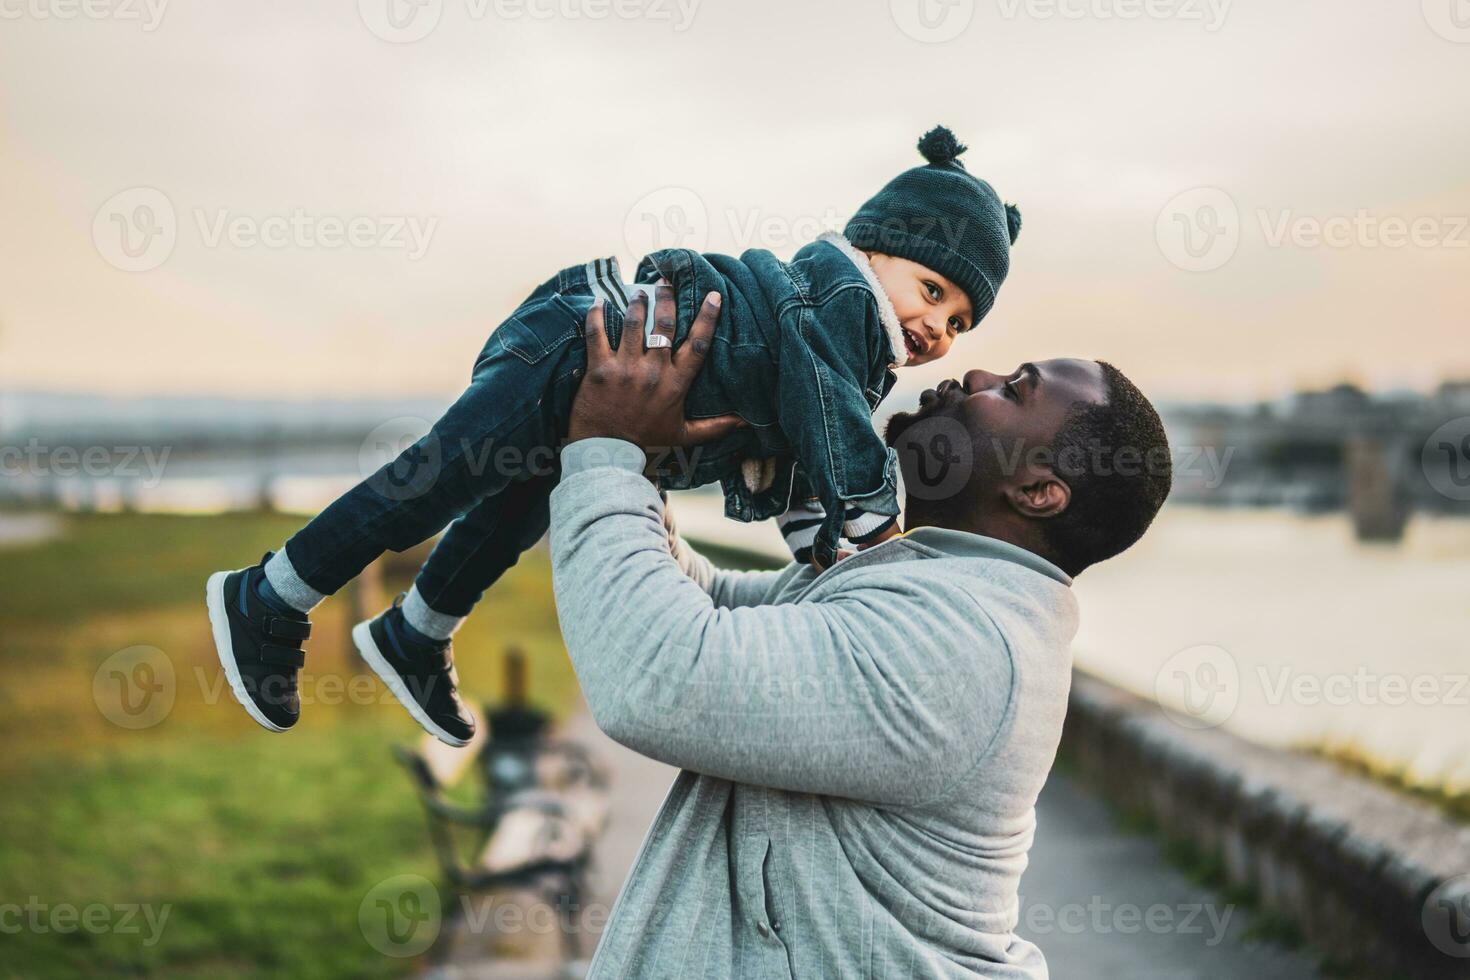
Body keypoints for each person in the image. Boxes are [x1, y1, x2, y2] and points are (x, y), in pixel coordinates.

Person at [204, 126, 1022, 746]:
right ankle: (271, 593)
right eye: (932, 290)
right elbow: (829, 423)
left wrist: (822, 550)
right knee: (432, 483)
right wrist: (878, 530)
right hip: (577, 348)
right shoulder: (838, 297)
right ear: (876, 247)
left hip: (590, 377)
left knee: (511, 519)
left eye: (959, 322)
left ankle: (415, 632)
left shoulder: (853, 356)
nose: (938, 329)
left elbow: (799, 455)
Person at [550, 288, 1172, 979]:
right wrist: (644, 460)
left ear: (1036, 491)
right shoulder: (938, 590)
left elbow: (657, 676)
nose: (974, 376)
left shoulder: (962, 642)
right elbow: (708, 609)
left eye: (1014, 390)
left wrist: (605, 450)